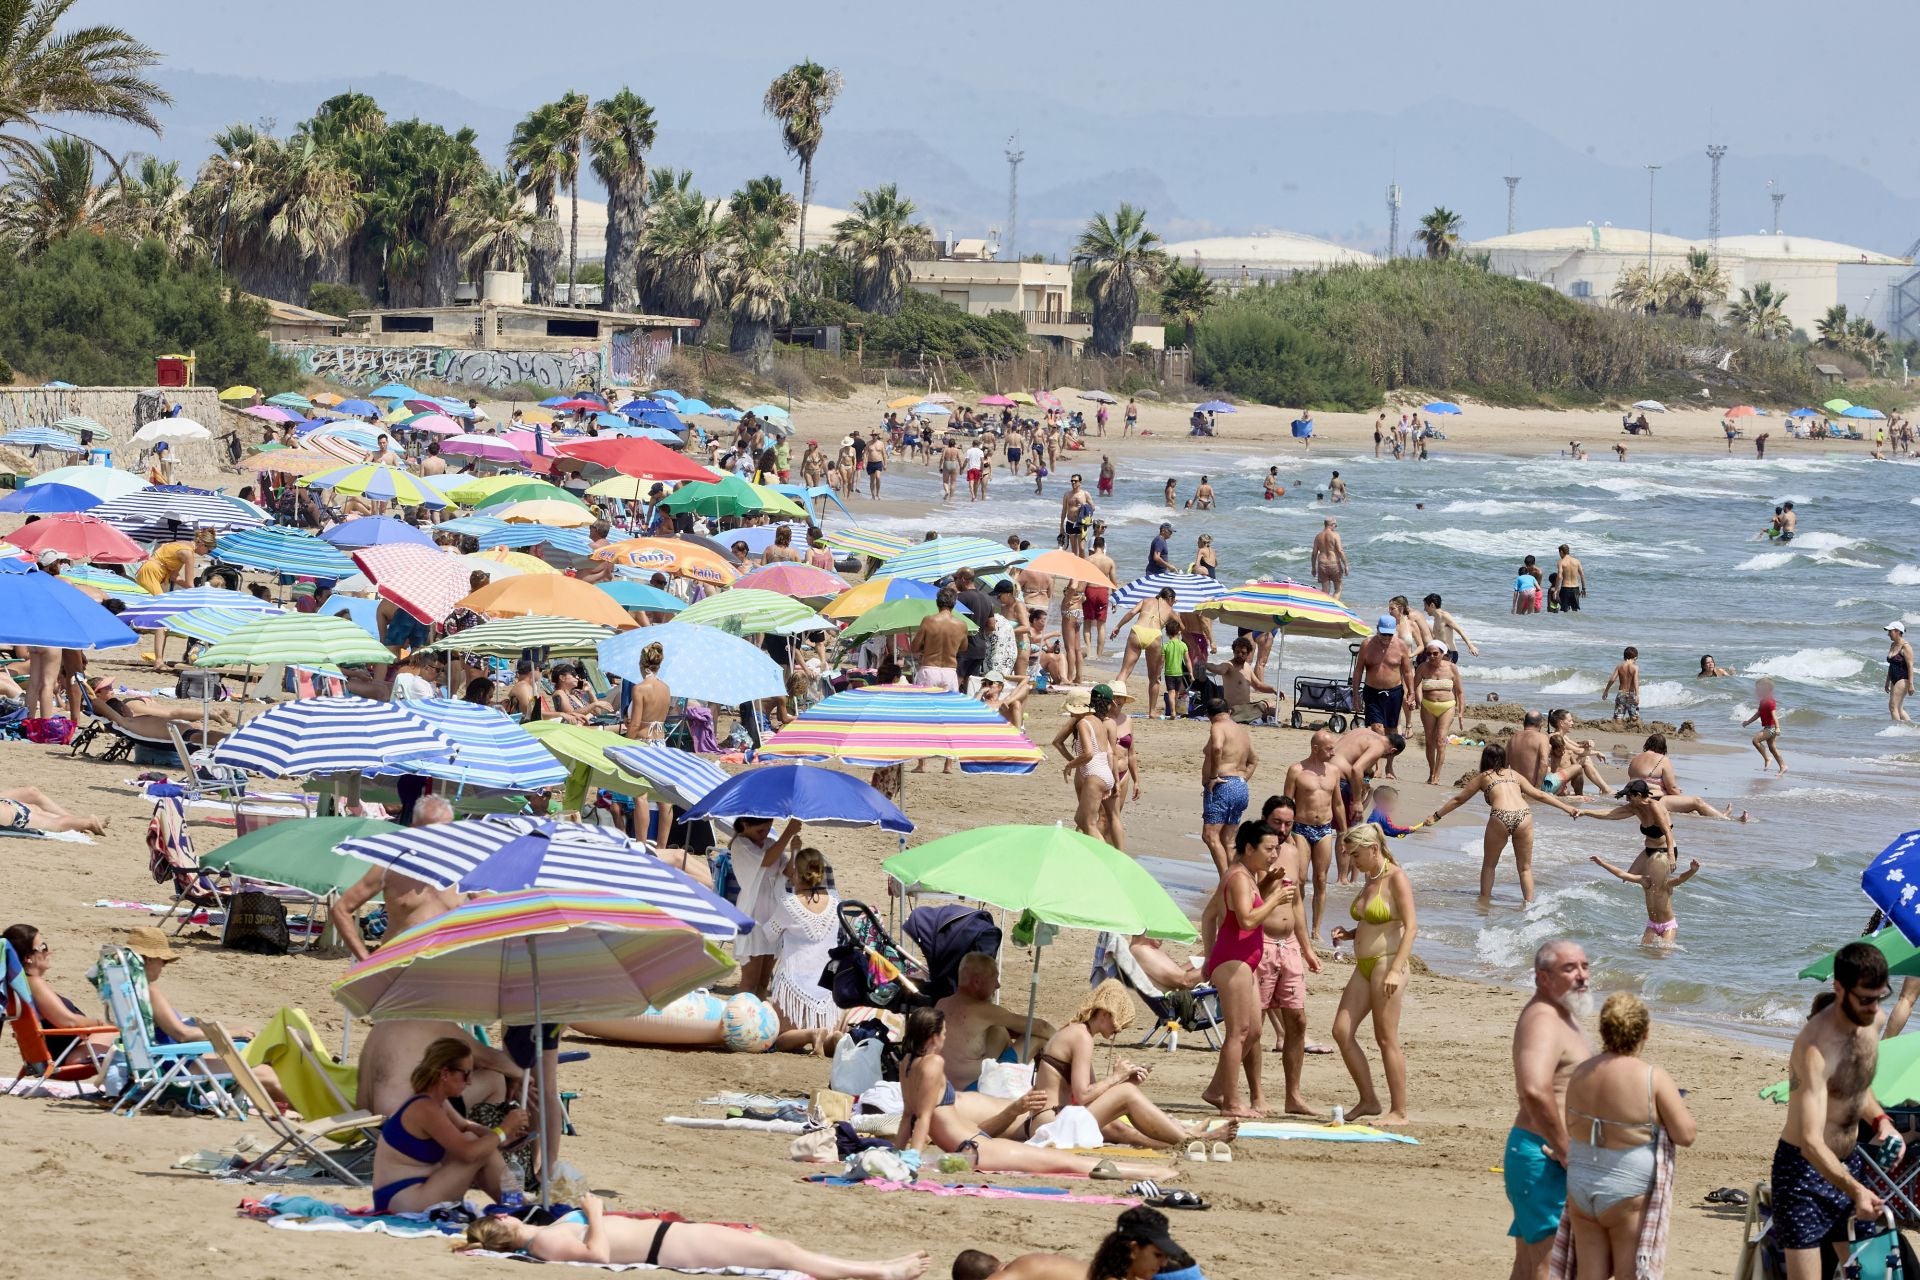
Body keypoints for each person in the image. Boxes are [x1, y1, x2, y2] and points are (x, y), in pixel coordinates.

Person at [895, 1008, 1167, 1181]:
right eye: (943, 1033)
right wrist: (914, 1158)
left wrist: (899, 1152)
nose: (945, 1038)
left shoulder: (906, 1064)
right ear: (932, 1037)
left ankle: (1156, 1171)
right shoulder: (933, 1064)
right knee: (1065, 1163)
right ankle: (1158, 1172)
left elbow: (910, 1115)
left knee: (1064, 1163)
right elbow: (924, 1116)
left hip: (972, 1144)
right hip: (974, 1147)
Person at [1772, 941, 1902, 1276]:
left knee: (1872, 1274)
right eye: (1865, 998)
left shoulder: (1873, 1022)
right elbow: (1810, 1142)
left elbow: (1857, 1088)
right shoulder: (1813, 1048)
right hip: (1802, 1174)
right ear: (1839, 988)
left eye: (1880, 996)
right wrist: (1857, 1191)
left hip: (1850, 1165)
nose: (1874, 1008)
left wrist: (1882, 1121)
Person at [463, 1192, 929, 1278]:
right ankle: (877, 1271)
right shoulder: (540, 1242)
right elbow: (597, 1254)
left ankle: (875, 1269)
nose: (508, 1215)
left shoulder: (540, 1232)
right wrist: (595, 1213)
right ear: (503, 1226)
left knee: (782, 1252)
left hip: (669, 1238)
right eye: (502, 1217)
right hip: (668, 1247)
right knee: (784, 1254)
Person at [1562, 994, 1696, 1279]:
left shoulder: (1581, 1072)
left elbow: (1570, 1126)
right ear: (1644, 1033)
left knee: (1589, 1274)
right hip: (1627, 1188)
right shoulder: (1652, 1077)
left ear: (1603, 1030)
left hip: (1581, 1179)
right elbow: (1685, 1134)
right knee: (1628, 1273)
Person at [1027, 981, 1225, 1148]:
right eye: (1117, 1022)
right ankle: (1189, 1139)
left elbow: (1089, 1098)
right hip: (1050, 1125)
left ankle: (1185, 1137)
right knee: (1127, 1096)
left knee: (1121, 1116)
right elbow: (1083, 1095)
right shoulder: (1081, 1037)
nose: (1118, 1029)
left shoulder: (1078, 1032)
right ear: (1104, 1013)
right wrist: (1116, 1078)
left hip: (1051, 1120)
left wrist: (1123, 1080)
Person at [1508, 941, 1593, 1280]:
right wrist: (1565, 1148)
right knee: (1548, 1268)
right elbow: (1533, 1088)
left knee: (1528, 1267)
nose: (1582, 976)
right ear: (1542, 977)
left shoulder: (1561, 1016)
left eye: (1585, 966)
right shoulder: (1542, 1019)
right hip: (1543, 1156)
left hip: (1543, 1155)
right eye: (1570, 968)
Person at [370, 1037, 531, 1213]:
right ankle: (520, 1207)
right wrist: (503, 1130)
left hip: (409, 1192)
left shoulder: (433, 1101)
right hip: (402, 1199)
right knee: (478, 1149)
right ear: (445, 1074)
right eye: (466, 1074)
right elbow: (468, 1153)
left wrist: (502, 1137)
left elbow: (464, 1125)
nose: (469, 1081)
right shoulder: (424, 1108)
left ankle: (519, 1206)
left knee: (478, 1141)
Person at [1201, 821, 1293, 1118]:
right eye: (1269, 849)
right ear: (1249, 848)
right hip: (1233, 960)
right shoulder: (1238, 877)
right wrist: (1276, 899)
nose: (1274, 855)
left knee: (1253, 1031)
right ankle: (1230, 1102)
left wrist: (1207, 956)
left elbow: (1208, 915)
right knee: (1238, 1032)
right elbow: (1247, 921)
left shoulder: (1247, 876)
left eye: (1277, 848)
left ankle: (1216, 1090)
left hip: (1240, 960)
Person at [1328, 824, 1415, 1123]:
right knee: (1341, 1031)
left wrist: (1394, 970)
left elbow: (1411, 927)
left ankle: (1399, 1111)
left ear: (1374, 849)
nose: (1353, 861)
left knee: (1385, 1037)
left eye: (1355, 854)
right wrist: (1350, 933)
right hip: (1363, 964)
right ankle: (1368, 1100)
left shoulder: (1396, 878)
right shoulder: (1369, 877)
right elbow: (1374, 921)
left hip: (1387, 963)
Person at [1425, 743, 1581, 906]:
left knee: (1489, 865)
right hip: (1524, 815)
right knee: (1525, 868)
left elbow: (1458, 800)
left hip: (1501, 815)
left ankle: (1484, 906)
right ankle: (1530, 907)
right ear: (1504, 759)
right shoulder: (1514, 774)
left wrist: (1436, 816)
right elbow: (1539, 794)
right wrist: (1566, 807)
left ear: (1485, 759)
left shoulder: (1483, 777)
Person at [329, 797, 462, 960]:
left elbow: (492, 910)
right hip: (396, 965)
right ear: (414, 828)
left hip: (445, 970)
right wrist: (365, 959)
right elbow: (341, 909)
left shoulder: (464, 870)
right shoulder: (391, 866)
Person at [765, 847, 844, 1055]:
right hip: (827, 987)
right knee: (828, 1034)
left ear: (797, 874)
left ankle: (811, 1035)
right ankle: (832, 1038)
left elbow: (769, 934)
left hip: (794, 983)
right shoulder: (836, 903)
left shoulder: (790, 905)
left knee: (779, 1040)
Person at [934, 952, 1054, 1088]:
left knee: (998, 1029)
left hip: (942, 1089)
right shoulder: (983, 1010)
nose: (998, 985)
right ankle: (1049, 1086)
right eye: (994, 978)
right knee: (1038, 1037)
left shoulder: (941, 1004)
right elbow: (1042, 1027)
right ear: (977, 982)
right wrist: (1067, 1042)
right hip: (973, 1091)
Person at [2, 923, 118, 1063]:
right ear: (28, 957)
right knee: (130, 1037)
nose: (48, 952)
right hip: (68, 1057)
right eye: (43, 947)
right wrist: (98, 1023)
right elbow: (69, 1022)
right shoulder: (34, 983)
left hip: (61, 1053)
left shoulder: (21, 987)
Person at [1284, 728, 1349, 941]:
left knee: (1321, 879)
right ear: (1315, 748)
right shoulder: (1296, 770)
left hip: (1324, 829)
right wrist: (1286, 832)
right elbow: (1286, 803)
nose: (1333, 753)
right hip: (1301, 828)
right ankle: (1298, 925)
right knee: (1300, 879)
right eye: (1329, 748)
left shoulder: (1333, 771)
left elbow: (1337, 802)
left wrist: (1344, 832)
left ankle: (1315, 930)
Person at [729, 816, 804, 998]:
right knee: (750, 980)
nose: (764, 835)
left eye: (767, 830)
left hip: (773, 915)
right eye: (760, 831)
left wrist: (794, 851)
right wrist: (788, 832)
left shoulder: (771, 843)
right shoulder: (740, 844)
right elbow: (766, 861)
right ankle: (741, 1020)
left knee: (764, 980)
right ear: (745, 825)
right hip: (752, 914)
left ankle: (758, 1023)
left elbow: (787, 873)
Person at [1590, 846, 1700, 945]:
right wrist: (1602, 863)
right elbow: (1622, 874)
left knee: (1665, 951)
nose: (1654, 873)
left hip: (1668, 925)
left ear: (1665, 870)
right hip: (1652, 924)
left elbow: (1681, 879)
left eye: (1658, 870)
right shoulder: (1645, 881)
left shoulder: (1667, 884)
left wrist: (1692, 871)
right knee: (1644, 949)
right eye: (1652, 869)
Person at [1199, 699, 1256, 878]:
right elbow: (1254, 760)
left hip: (1222, 786)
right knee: (1228, 840)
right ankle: (1240, 881)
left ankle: (1226, 882)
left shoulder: (1217, 726)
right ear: (1229, 712)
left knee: (1210, 835)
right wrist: (1242, 778)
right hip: (1240, 786)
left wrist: (1214, 776)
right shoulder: (1241, 731)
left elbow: (1217, 748)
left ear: (1209, 715)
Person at [1058, 686, 1120, 842]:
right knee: (1080, 819)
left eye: (1071, 709)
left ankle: (1103, 856)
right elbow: (1110, 753)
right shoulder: (1099, 721)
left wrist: (1069, 765)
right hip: (1104, 773)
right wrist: (1112, 781)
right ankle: (1097, 853)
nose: (1070, 713)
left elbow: (1088, 753)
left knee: (1089, 824)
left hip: (1095, 775)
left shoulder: (1082, 723)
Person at [1110, 587, 1175, 714]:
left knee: (1124, 671)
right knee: (1154, 678)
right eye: (1174, 601)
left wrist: (1118, 626)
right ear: (1170, 598)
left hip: (1138, 630)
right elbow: (1181, 627)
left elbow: (1131, 613)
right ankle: (1152, 711)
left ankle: (1114, 706)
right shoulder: (1171, 610)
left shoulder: (1145, 600)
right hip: (1154, 636)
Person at [1351, 615, 1413, 734]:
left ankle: (1384, 752)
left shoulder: (1401, 646)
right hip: (1372, 693)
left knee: (1391, 731)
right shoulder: (1367, 645)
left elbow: (1407, 671)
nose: (1386, 637)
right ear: (1377, 628)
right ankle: (1379, 751)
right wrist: (1355, 695)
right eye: (1383, 634)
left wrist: (1412, 693)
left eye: (1389, 634)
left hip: (1394, 693)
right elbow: (1358, 670)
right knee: (1377, 727)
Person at [1099, 680, 1142, 851]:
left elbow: (1131, 752)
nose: (1119, 701)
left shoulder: (1128, 720)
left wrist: (1137, 780)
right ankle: (1090, 848)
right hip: (1107, 772)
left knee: (1115, 817)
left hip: (1124, 775)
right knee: (1103, 817)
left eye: (1122, 698)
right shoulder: (1102, 720)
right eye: (1116, 697)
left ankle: (1108, 852)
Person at [1413, 641, 1463, 785]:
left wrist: (1460, 713)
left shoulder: (1452, 668)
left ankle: (1437, 775)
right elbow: (1414, 686)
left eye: (1435, 653)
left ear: (1443, 653)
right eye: (1428, 654)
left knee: (1441, 740)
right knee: (1429, 741)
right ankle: (1431, 772)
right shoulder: (1422, 667)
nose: (1432, 656)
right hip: (1428, 706)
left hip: (1447, 706)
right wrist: (1415, 699)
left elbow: (1460, 692)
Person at [1204, 634, 1278, 723]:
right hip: (1234, 710)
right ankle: (1254, 717)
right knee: (1267, 709)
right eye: (1237, 652)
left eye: (1243, 653)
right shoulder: (1229, 665)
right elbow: (1218, 668)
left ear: (1248, 653)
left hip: (1247, 708)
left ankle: (1254, 716)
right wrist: (1205, 664)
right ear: (1233, 652)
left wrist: (1273, 689)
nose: (1239, 654)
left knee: (1275, 705)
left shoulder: (1247, 667)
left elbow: (1258, 685)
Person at [910, 587, 968, 692]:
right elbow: (964, 647)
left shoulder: (928, 620)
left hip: (929, 670)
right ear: (954, 604)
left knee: (925, 706)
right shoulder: (962, 625)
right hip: (949, 672)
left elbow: (914, 648)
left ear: (937, 602)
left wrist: (927, 645)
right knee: (948, 707)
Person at [1743, 676, 1787, 773]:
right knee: (1773, 748)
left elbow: (1774, 716)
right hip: (1768, 728)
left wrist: (1778, 728)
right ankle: (1783, 766)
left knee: (1755, 740)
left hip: (1771, 728)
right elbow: (1758, 714)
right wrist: (1748, 722)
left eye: (1758, 690)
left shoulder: (1770, 702)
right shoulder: (1763, 701)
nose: (1757, 692)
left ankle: (1767, 759)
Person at [1421, 592, 1480, 659]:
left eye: (1425, 606)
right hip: (1440, 654)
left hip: (1450, 654)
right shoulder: (1436, 619)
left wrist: (1471, 646)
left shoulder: (1445, 616)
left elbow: (1460, 630)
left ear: (1432, 605)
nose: (1424, 609)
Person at [1311, 519, 1347, 598]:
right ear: (1332, 524)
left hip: (1322, 565)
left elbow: (1314, 554)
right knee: (1338, 589)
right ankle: (1333, 608)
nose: (1335, 527)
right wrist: (1346, 565)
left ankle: (1325, 608)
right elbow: (1340, 551)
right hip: (1334, 565)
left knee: (1325, 591)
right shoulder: (1335, 535)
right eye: (1335, 525)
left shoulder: (1318, 536)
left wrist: (1313, 567)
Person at [1602, 646, 1639, 723]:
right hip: (1631, 695)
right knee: (1634, 717)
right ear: (1635, 657)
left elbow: (1612, 679)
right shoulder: (1635, 667)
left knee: (1618, 718)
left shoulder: (1619, 666)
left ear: (1624, 656)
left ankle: (1618, 728)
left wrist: (1606, 691)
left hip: (1621, 694)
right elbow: (1635, 681)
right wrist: (1637, 695)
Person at [1888, 620, 1913, 723]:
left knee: (1893, 706)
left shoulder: (1906, 647)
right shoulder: (1893, 645)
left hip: (1903, 679)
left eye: (1890, 631)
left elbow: (1910, 666)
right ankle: (1911, 728)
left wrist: (1911, 684)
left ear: (1898, 631)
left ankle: (1896, 730)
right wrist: (1887, 681)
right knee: (1898, 708)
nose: (1888, 634)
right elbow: (1891, 665)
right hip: (1893, 678)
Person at [1554, 544, 1585, 613]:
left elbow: (1559, 576)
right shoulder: (1577, 561)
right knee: (1575, 610)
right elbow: (1582, 575)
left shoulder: (1561, 562)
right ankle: (1575, 623)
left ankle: (1566, 624)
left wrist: (1556, 590)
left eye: (1559, 553)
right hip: (1575, 588)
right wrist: (1583, 588)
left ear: (1561, 552)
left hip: (1565, 588)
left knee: (1565, 611)